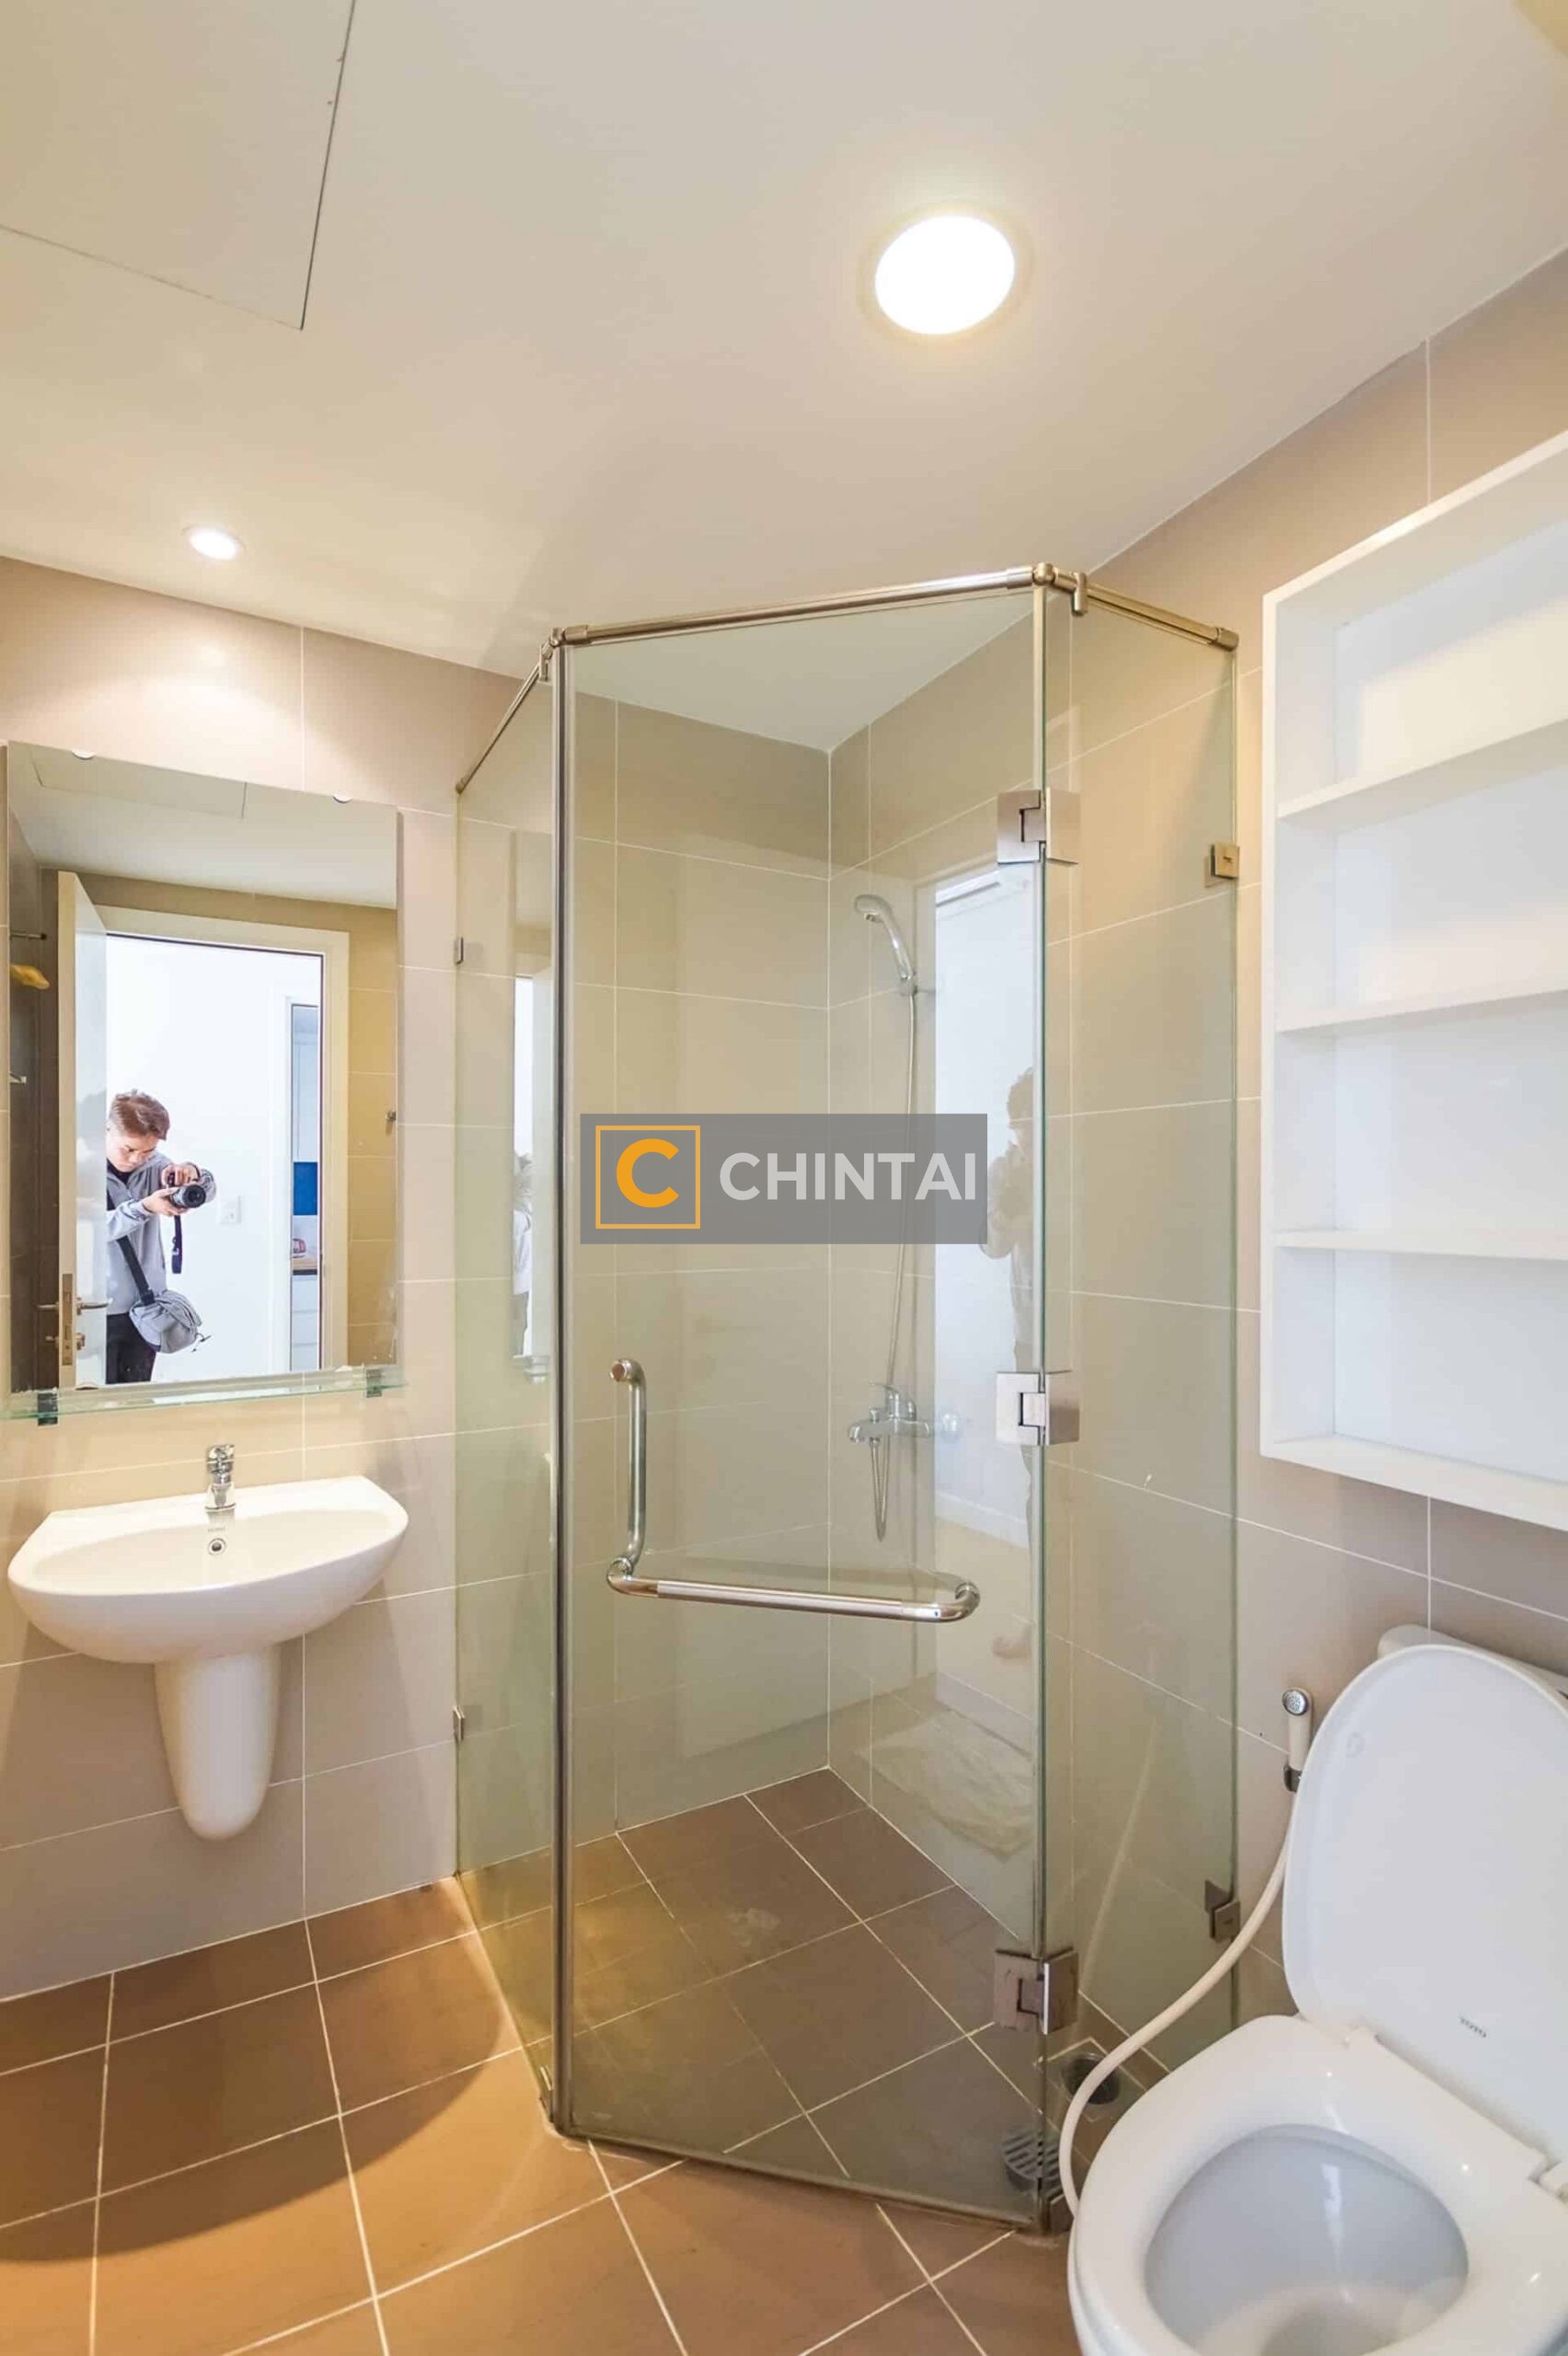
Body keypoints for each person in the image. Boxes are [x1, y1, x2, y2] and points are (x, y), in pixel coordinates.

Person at [105, 1091, 216, 1384]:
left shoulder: (155, 1166)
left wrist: (192, 1173)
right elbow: (88, 1229)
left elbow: (207, 1190)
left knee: (137, 1400)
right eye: (129, 1149)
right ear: (107, 1131)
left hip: (147, 1306)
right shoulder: (82, 1171)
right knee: (95, 1401)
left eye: (148, 1151)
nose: (137, 1159)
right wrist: (144, 1207)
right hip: (97, 1308)